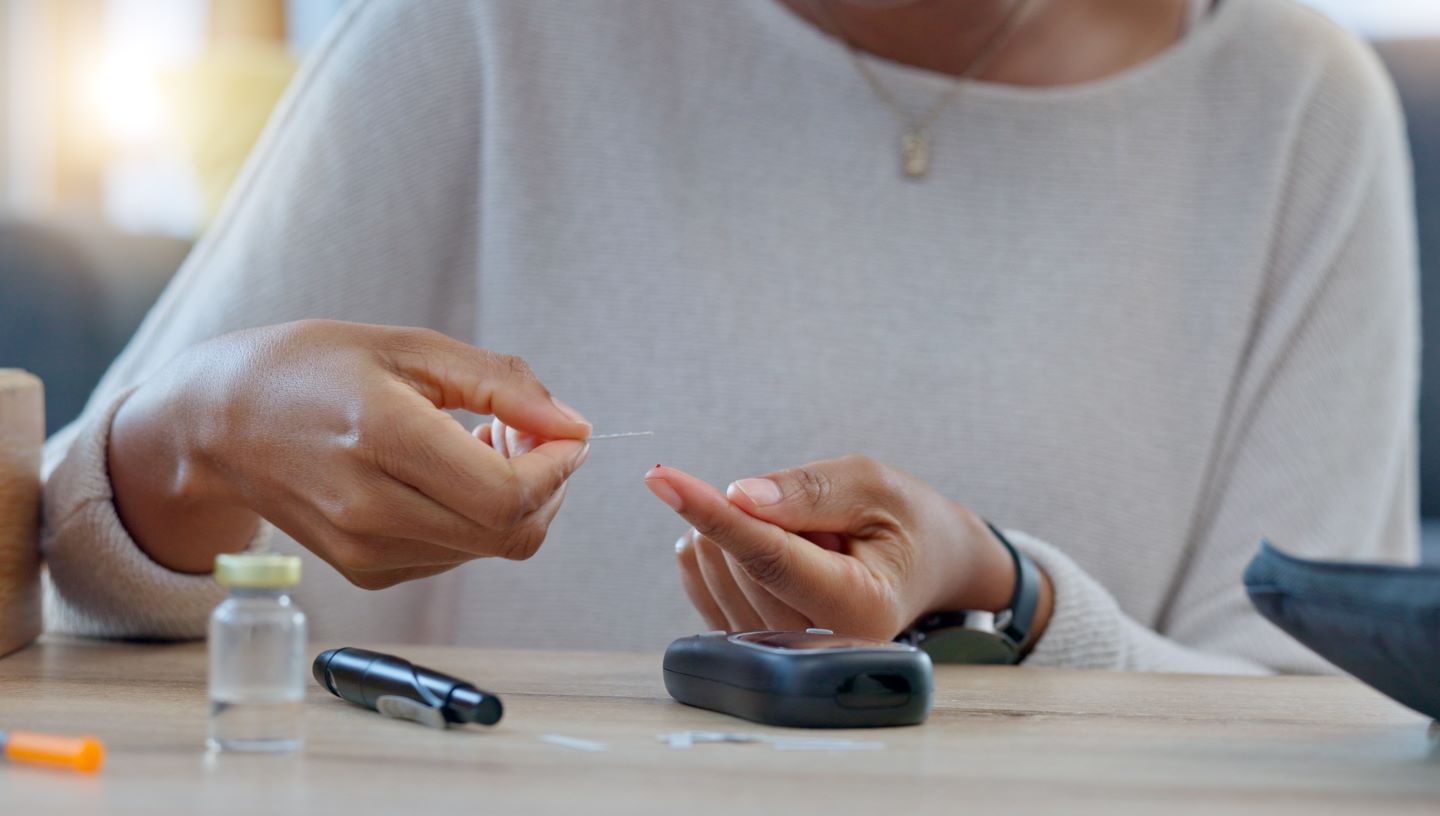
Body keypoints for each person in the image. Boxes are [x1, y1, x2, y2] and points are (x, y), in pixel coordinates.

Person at [42, 0, 1417, 672]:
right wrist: (202, 433)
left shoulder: (1298, 113)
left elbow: (1310, 727)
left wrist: (1006, 600)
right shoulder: (485, 33)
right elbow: (58, 571)